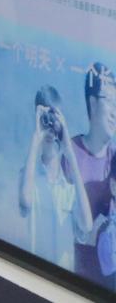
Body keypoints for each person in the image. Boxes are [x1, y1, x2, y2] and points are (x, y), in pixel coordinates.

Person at [20, 84, 97, 271]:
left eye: (54, 120)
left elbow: (87, 225)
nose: (50, 127)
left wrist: (69, 150)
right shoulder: (28, 176)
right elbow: (26, 201)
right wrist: (36, 136)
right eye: (45, 119)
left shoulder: (69, 188)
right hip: (31, 273)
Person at [68, 62, 116, 286]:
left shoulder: (115, 158)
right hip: (74, 277)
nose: (115, 112)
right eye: (111, 101)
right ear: (93, 103)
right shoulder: (68, 153)